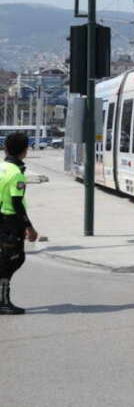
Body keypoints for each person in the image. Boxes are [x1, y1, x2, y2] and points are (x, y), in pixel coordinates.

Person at [0, 132, 38, 315]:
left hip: (2, 219)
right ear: (25, 151)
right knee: (13, 259)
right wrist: (30, 227)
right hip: (10, 221)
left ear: (5, 148)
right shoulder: (16, 174)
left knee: (8, 258)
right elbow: (16, 203)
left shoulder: (1, 167)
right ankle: (3, 302)